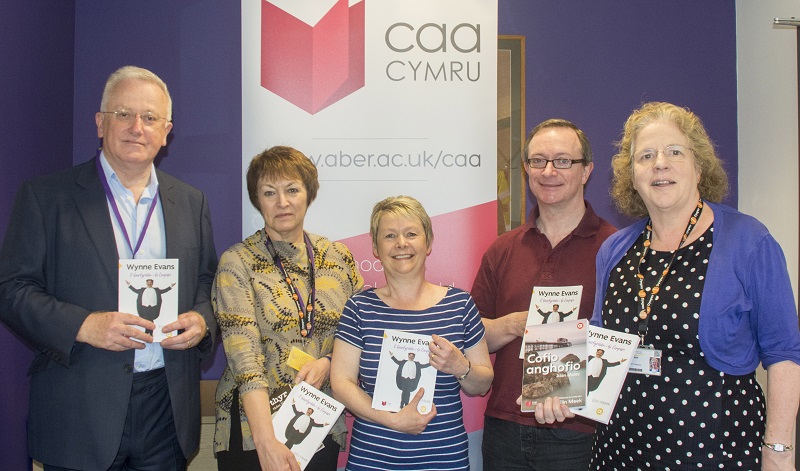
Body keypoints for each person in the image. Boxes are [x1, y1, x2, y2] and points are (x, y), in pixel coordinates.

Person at [0, 66, 218, 470]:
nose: (137, 127)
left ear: (166, 130)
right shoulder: (46, 197)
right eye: (124, 114)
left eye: (150, 118)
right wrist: (83, 325)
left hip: (166, 409)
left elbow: (207, 281)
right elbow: (11, 288)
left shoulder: (190, 202)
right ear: (101, 123)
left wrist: (203, 320)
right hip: (79, 408)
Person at [586, 101, 800, 469]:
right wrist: (560, 390)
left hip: (714, 450)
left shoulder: (749, 241)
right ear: (631, 175)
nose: (660, 164)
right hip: (619, 449)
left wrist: (778, 450)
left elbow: (784, 354)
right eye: (645, 156)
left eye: (674, 152)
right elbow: (599, 343)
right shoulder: (615, 250)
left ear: (699, 166)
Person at [471, 118, 617, 471]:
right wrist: (511, 325)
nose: (549, 171)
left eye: (563, 161)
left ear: (586, 171)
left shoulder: (616, 248)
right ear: (526, 169)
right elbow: (470, 338)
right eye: (538, 161)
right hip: (506, 426)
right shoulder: (502, 250)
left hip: (582, 431)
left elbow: (627, 343)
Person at [212, 146, 364, 471]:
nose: (282, 202)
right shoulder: (237, 262)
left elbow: (361, 332)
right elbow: (244, 359)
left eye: (292, 190)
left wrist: (329, 361)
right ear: (257, 199)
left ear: (308, 194)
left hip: (319, 421)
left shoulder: (338, 257)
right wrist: (266, 442)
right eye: (270, 192)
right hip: (252, 427)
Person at [331, 195, 494, 471]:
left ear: (428, 242)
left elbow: (483, 382)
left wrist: (460, 366)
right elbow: (341, 383)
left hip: (443, 461)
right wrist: (391, 420)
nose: (401, 244)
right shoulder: (359, 308)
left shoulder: (460, 304)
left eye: (411, 234)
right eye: (390, 235)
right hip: (372, 461)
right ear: (375, 246)